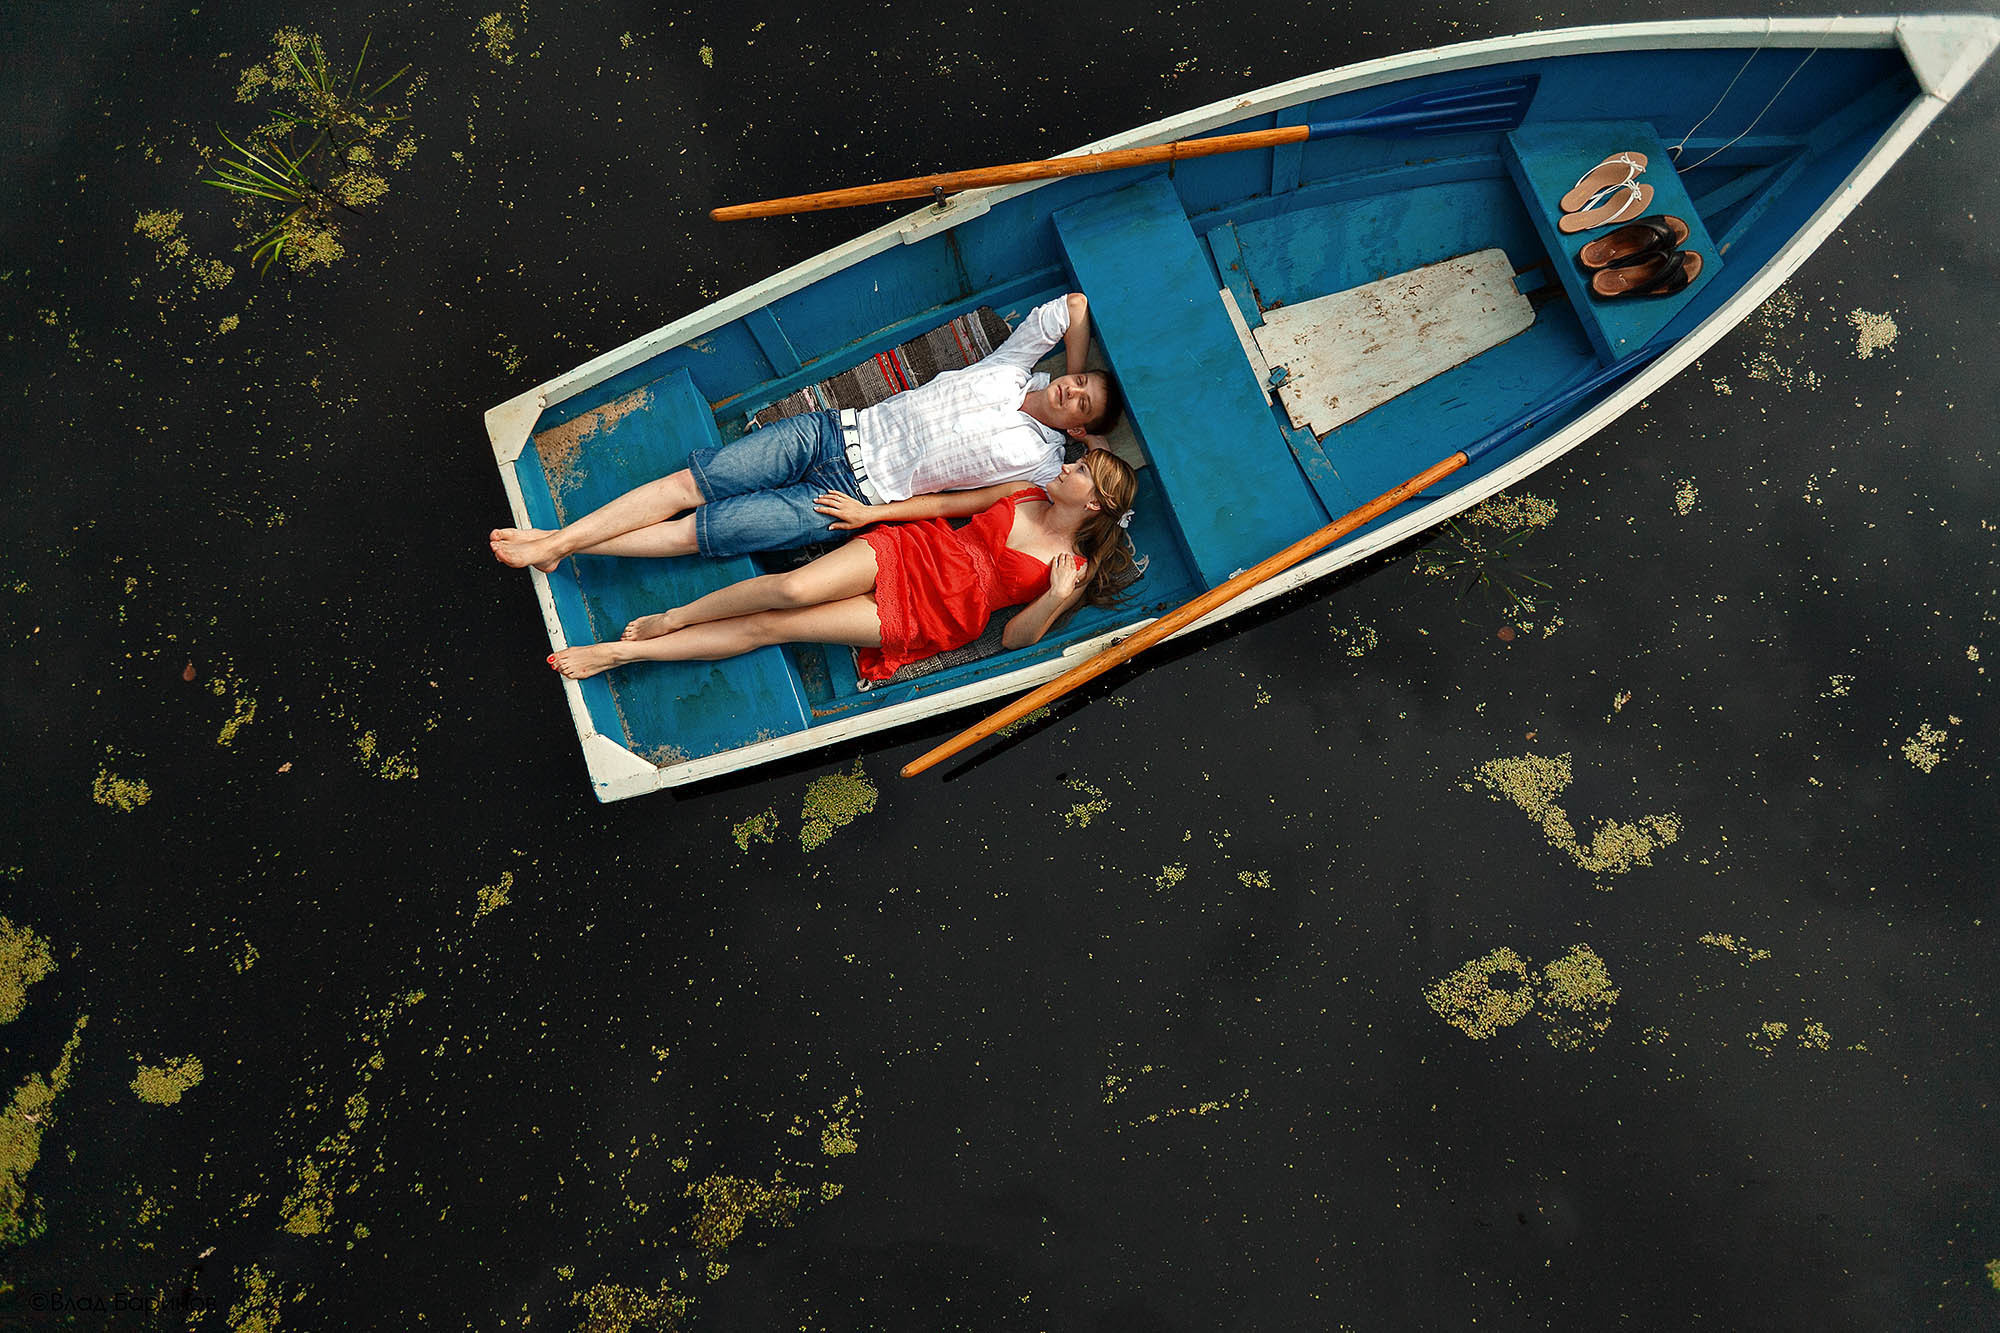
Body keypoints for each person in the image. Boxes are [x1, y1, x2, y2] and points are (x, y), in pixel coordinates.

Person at [492, 293, 1125, 571]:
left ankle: (561, 545)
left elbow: (1106, 513)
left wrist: (872, 518)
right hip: (827, 430)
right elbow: (1075, 307)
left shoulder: (1045, 466)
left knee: (705, 533)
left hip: (849, 499)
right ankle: (559, 543)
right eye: (1080, 386)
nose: (1073, 395)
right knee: (692, 483)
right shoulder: (1011, 366)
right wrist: (1076, 379)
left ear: (1078, 431)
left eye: (1082, 406)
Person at [547, 450, 1140, 681]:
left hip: (935, 611)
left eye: (1082, 470)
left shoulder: (1072, 567)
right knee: (791, 588)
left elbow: (1012, 639)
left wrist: (1055, 595)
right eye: (1078, 460)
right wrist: (870, 512)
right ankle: (674, 617)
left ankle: (623, 653)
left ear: (1094, 504)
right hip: (919, 550)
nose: (1069, 466)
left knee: (777, 627)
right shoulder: (1023, 489)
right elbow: (944, 505)